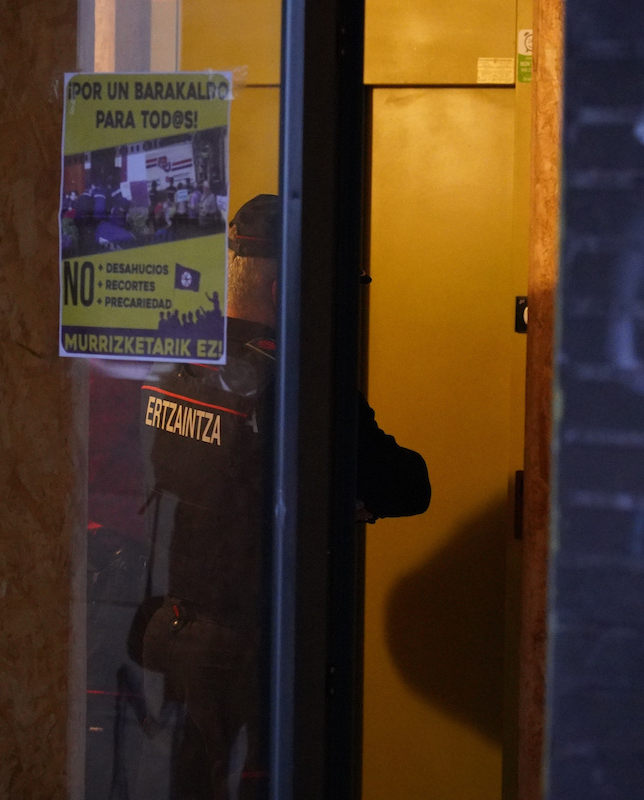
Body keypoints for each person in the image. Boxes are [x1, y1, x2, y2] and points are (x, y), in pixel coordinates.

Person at [139, 194, 429, 800]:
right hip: (250, 645)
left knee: (188, 780)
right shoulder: (296, 384)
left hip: (173, 628)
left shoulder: (177, 358)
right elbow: (407, 483)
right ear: (281, 290)